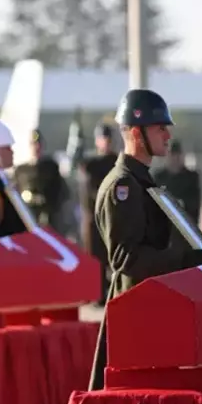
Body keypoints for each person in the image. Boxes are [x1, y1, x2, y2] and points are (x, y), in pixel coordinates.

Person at [88, 89, 202, 390]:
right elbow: (126, 259)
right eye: (160, 127)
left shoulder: (143, 181)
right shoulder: (123, 187)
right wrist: (186, 261)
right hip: (136, 316)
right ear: (137, 133)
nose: (167, 134)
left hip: (154, 309)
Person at [80, 124, 119, 303]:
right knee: (96, 258)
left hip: (114, 217)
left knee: (114, 257)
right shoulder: (91, 164)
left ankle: (114, 292)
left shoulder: (117, 162)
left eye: (108, 138)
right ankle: (97, 294)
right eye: (102, 138)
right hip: (94, 217)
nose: (106, 142)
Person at [13, 130, 68, 230]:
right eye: (33, 144)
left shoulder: (50, 167)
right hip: (27, 219)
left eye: (38, 144)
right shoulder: (21, 171)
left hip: (49, 219)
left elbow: (60, 192)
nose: (36, 147)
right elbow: (15, 194)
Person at [152, 139, 202, 223]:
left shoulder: (191, 177)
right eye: (172, 155)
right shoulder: (159, 177)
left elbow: (195, 204)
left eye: (178, 155)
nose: (175, 158)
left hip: (185, 224)